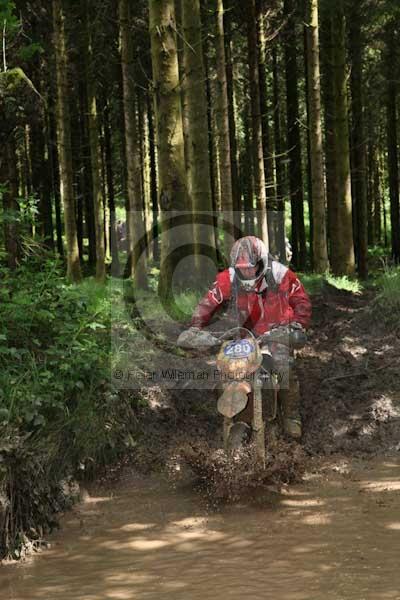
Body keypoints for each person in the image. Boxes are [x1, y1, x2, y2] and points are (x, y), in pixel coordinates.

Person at [187, 235, 311, 439]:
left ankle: (291, 415)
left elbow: (302, 302)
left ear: (262, 262)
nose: (247, 271)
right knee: (226, 370)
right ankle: (233, 414)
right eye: (242, 267)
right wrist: (195, 327)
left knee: (284, 365)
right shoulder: (227, 278)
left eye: (251, 267)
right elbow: (207, 304)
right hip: (243, 334)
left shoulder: (281, 275)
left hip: (277, 331)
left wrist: (297, 324)